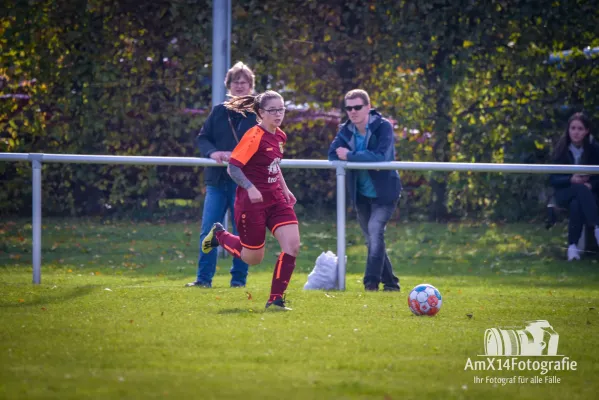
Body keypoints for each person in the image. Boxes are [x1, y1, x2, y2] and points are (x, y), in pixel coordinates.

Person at [201, 90, 300, 311]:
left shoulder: (280, 135)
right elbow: (233, 167)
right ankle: (220, 235)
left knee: (292, 246)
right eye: (272, 110)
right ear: (260, 113)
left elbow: (273, 164)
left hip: (276, 199)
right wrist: (250, 187)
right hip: (251, 202)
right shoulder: (254, 136)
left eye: (281, 109)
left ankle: (275, 300)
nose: (278, 114)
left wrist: (285, 189)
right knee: (253, 258)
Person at [186, 62, 258, 288]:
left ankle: (238, 281)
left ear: (250, 86)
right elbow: (203, 138)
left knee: (243, 234)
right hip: (217, 182)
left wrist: (236, 155)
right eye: (235, 82)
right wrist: (213, 152)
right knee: (208, 230)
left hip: (244, 184)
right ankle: (203, 280)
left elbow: (263, 143)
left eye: (243, 82)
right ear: (228, 85)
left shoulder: (258, 114)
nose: (239, 86)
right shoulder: (218, 111)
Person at [328, 89, 402, 291]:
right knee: (372, 239)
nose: (353, 111)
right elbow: (332, 155)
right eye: (349, 108)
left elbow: (380, 158)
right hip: (361, 195)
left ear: (368, 107)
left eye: (357, 107)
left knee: (375, 231)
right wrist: (361, 156)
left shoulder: (383, 127)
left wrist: (351, 155)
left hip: (385, 192)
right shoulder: (345, 130)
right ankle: (391, 284)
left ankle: (370, 283)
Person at [550, 112, 599, 261]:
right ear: (568, 130)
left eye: (580, 128)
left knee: (577, 203)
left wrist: (590, 184)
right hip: (564, 192)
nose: (576, 132)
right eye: (573, 128)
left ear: (586, 131)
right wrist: (571, 179)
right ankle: (597, 228)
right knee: (578, 190)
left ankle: (572, 248)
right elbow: (552, 178)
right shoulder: (561, 149)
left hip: (589, 194)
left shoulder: (594, 149)